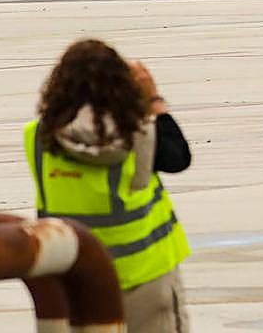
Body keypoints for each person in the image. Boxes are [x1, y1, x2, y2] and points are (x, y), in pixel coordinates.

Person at [25, 39, 192, 332]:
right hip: (144, 279)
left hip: (75, 279)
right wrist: (152, 99)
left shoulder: (37, 138)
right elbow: (178, 157)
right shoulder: (140, 135)